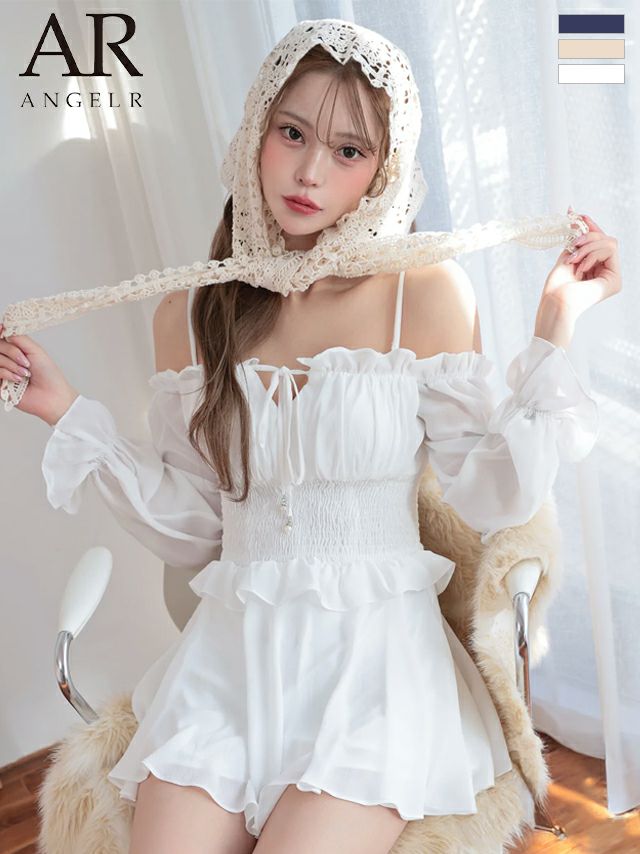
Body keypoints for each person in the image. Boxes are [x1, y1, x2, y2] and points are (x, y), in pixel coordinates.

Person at [1, 19, 619, 854]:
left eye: (348, 150)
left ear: (383, 170)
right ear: (257, 129)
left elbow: (494, 495)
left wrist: (554, 326)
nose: (309, 172)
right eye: (291, 133)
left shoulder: (423, 290)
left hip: (378, 671)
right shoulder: (190, 312)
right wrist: (64, 409)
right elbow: (196, 527)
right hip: (230, 667)